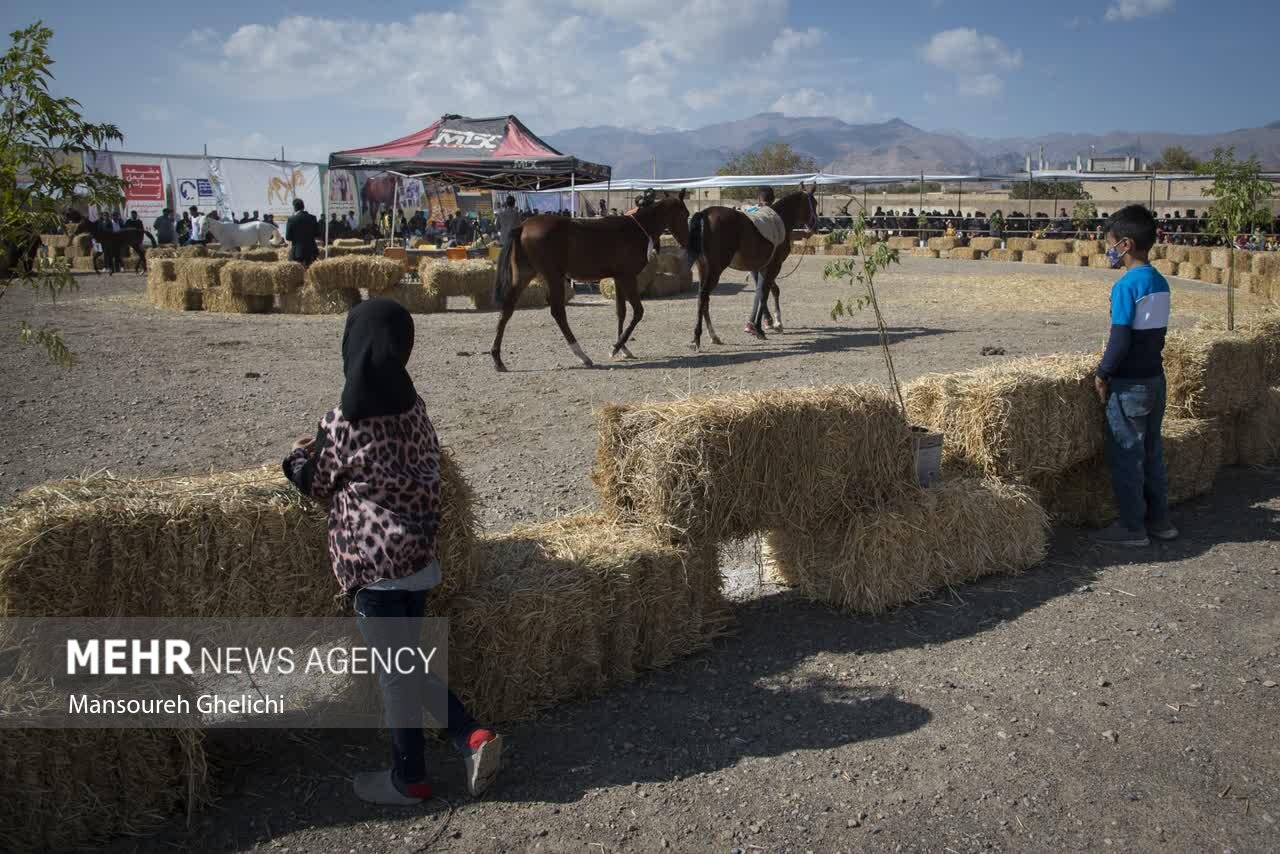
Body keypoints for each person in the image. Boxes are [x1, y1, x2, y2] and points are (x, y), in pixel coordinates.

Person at [282, 299, 503, 805]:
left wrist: (297, 454)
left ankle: (414, 778)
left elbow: (314, 483)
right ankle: (468, 738)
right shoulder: (415, 408)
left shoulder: (341, 421)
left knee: (396, 675)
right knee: (406, 664)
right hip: (419, 564)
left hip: (373, 569)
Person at [1092, 205, 1175, 547]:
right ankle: (1161, 523)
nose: (1107, 250)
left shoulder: (1126, 285)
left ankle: (1132, 529)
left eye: (1109, 243)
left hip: (1129, 386)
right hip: (1155, 379)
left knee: (1128, 455)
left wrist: (1103, 372)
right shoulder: (1160, 281)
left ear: (1125, 244)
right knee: (1153, 453)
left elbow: (1121, 336)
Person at [285, 199, 319, 266]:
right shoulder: (313, 218)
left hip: (298, 251)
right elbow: (317, 233)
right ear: (303, 207)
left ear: (294, 207)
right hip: (311, 249)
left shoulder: (291, 219)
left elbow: (288, 237)